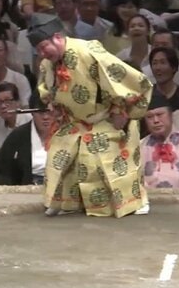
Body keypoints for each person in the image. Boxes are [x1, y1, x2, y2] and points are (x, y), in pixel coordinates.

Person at [29, 13, 153, 218]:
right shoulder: (48, 63)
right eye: (39, 50)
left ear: (57, 37)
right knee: (59, 152)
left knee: (105, 155)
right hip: (74, 121)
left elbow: (119, 77)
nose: (43, 53)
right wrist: (53, 104)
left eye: (44, 47)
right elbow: (48, 90)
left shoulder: (88, 51)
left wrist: (121, 110)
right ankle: (65, 202)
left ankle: (134, 201)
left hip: (106, 116)